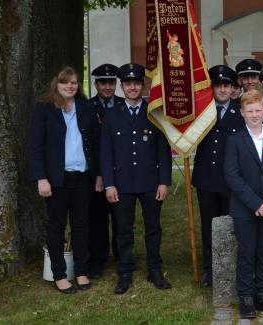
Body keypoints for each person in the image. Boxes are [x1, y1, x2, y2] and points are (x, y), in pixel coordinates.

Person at [101, 63, 173, 294]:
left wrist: (164, 181)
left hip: (150, 182)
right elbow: (105, 152)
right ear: (122, 86)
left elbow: (163, 150)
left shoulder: (153, 113)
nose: (132, 87)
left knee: (153, 227)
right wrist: (109, 183)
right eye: (128, 83)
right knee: (123, 229)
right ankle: (124, 272)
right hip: (121, 184)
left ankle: (154, 269)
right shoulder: (111, 114)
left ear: (143, 85)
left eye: (136, 83)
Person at [28, 66, 100, 294]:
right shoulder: (44, 109)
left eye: (74, 82)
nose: (70, 86)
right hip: (56, 180)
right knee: (57, 227)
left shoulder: (86, 108)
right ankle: (59, 274)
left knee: (81, 226)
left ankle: (81, 272)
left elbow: (96, 145)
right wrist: (41, 178)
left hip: (83, 178)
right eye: (65, 82)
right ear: (56, 84)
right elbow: (35, 146)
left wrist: (98, 174)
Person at [224, 89, 263, 319]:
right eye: (249, 110)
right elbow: (232, 176)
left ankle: (262, 293)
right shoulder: (235, 141)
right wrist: (255, 204)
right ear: (242, 112)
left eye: (257, 110)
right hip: (244, 208)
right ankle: (246, 297)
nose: (254, 114)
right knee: (247, 252)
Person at [192, 65, 246, 287]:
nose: (223, 90)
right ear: (212, 88)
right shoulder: (202, 111)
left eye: (227, 85)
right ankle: (209, 269)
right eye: (218, 85)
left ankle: (228, 267)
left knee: (230, 225)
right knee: (209, 225)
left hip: (230, 181)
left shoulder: (240, 111)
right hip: (206, 178)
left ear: (233, 88)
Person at [87, 63, 124, 279]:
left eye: (111, 82)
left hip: (120, 172)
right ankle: (98, 260)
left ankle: (122, 257)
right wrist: (99, 173)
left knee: (121, 218)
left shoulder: (122, 105)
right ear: (96, 84)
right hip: (96, 174)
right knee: (98, 219)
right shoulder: (87, 107)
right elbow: (90, 143)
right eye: (103, 82)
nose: (108, 87)